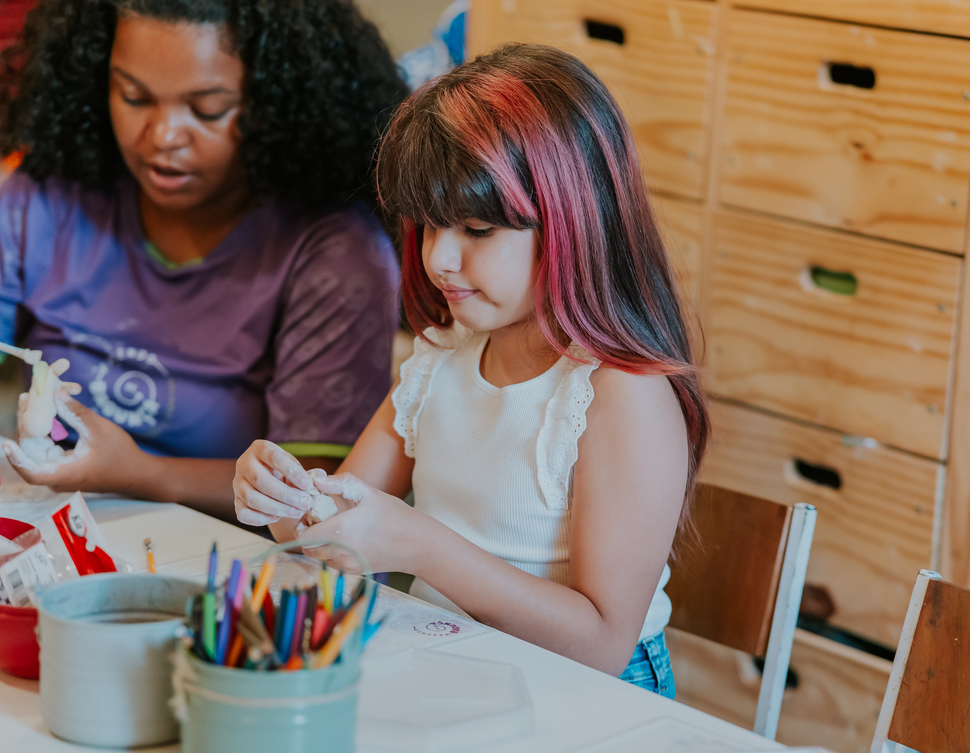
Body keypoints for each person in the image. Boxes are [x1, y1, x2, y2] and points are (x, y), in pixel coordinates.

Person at [232, 44, 709, 694]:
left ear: (576, 219)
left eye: (477, 229)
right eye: (427, 227)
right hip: (453, 661)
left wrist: (418, 546)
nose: (441, 259)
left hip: (590, 694)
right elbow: (335, 542)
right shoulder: (440, 358)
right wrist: (283, 499)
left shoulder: (621, 392)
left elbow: (600, 642)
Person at [0, 0, 407, 521]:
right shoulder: (46, 197)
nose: (163, 136)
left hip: (225, 563)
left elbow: (312, 496)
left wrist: (139, 473)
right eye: (134, 96)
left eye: (208, 108)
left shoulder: (336, 255)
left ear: (275, 100)